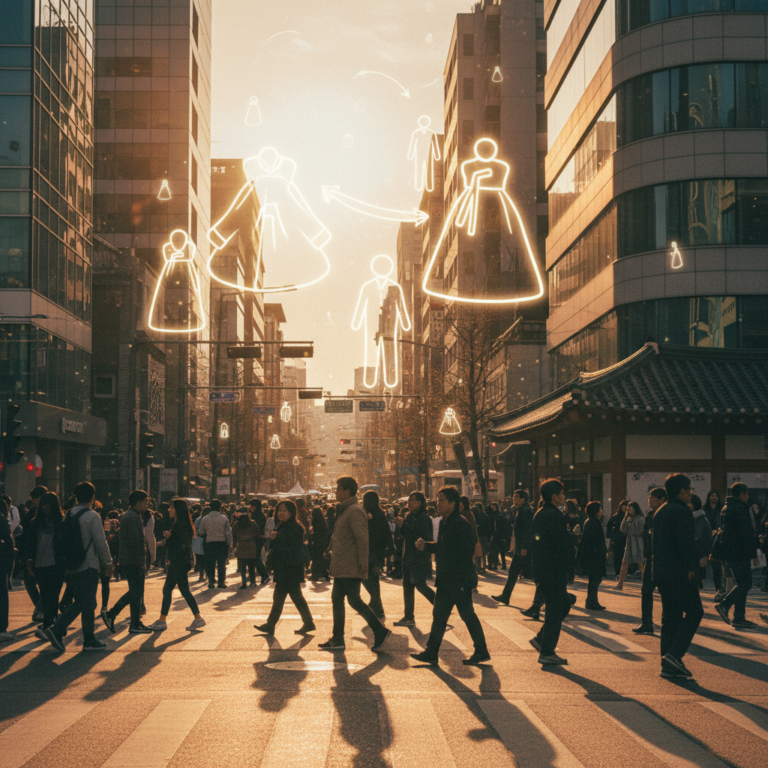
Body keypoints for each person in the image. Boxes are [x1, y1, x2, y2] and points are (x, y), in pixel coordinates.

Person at [410, 486, 489, 666]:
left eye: (442, 501)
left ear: (453, 504)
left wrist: (442, 554)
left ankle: (482, 650)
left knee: (467, 614)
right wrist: (428, 546)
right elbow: (443, 545)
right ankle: (431, 651)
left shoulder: (459, 523)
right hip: (447, 578)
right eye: (437, 500)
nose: (438, 504)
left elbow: (466, 549)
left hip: (458, 578)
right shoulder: (447, 521)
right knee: (439, 615)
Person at [319, 477, 390, 652]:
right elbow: (339, 535)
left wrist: (362, 563)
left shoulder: (354, 510)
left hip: (350, 565)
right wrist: (329, 549)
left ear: (348, 491)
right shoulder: (345, 509)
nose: (335, 491)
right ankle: (338, 638)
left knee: (354, 600)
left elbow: (362, 538)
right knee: (341, 599)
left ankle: (378, 631)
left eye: (338, 488)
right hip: (343, 564)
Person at [44, 482, 114, 652]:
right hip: (87, 564)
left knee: (86, 602)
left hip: (70, 565)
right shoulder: (92, 516)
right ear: (92, 497)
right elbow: (100, 542)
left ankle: (88, 638)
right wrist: (108, 563)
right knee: (85, 601)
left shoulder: (68, 513)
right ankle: (59, 630)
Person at [652, 473, 703, 679]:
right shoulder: (682, 511)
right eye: (689, 489)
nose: (691, 493)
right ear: (682, 491)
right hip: (679, 572)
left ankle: (667, 660)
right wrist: (692, 567)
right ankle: (674, 654)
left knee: (671, 616)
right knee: (694, 612)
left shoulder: (661, 511)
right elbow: (686, 544)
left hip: (663, 572)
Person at [528, 479, 573, 665]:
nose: (564, 496)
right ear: (555, 496)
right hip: (553, 570)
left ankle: (541, 639)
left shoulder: (541, 513)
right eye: (562, 493)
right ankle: (547, 651)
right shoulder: (554, 515)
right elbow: (560, 545)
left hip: (544, 569)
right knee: (555, 610)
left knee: (563, 604)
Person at [254, 500, 314, 635]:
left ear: (291, 512)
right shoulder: (282, 526)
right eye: (279, 510)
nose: (281, 513)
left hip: (290, 567)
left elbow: (291, 547)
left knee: (285, 597)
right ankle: (307, 623)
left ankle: (271, 625)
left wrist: (276, 539)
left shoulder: (295, 527)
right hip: (285, 567)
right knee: (290, 597)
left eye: (284, 510)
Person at [147, 498, 204, 631]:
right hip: (180, 561)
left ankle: (197, 618)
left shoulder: (180, 524)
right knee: (169, 589)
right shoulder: (181, 523)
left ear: (177, 509)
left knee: (182, 590)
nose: (169, 509)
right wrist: (170, 536)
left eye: (172, 507)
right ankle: (163, 619)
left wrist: (170, 538)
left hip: (179, 562)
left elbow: (181, 544)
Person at [101, 490, 151, 635]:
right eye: (145, 502)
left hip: (128, 560)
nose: (146, 505)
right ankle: (112, 614)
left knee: (136, 592)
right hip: (133, 561)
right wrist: (142, 562)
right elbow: (136, 542)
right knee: (136, 591)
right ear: (137, 502)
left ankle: (135, 622)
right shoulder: (134, 517)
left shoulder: (129, 515)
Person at [715, 482, 760, 629]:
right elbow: (745, 534)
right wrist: (753, 553)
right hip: (739, 552)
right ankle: (727, 606)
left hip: (728, 552)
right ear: (741, 494)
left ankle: (738, 617)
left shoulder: (726, 508)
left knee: (741, 583)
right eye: (746, 494)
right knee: (745, 583)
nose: (747, 497)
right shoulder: (741, 509)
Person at [25, 492, 65, 636]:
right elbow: (30, 544)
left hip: (57, 564)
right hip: (40, 563)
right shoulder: (35, 523)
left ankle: (49, 624)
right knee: (46, 594)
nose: (46, 508)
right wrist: (30, 560)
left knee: (53, 595)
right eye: (44, 505)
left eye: (49, 505)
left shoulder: (62, 522)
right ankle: (50, 624)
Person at [393, 491, 435, 627]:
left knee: (420, 585)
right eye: (409, 500)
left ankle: (441, 606)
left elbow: (421, 536)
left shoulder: (424, 518)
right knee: (407, 587)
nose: (410, 503)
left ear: (420, 503)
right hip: (408, 557)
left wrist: (403, 525)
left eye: (413, 500)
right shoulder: (410, 516)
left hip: (419, 558)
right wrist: (401, 525)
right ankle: (408, 616)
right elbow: (405, 534)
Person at [633, 487, 666, 635]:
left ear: (661, 500)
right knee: (646, 591)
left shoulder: (667, 513)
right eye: (649, 499)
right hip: (650, 558)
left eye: (652, 499)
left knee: (666, 593)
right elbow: (647, 537)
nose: (649, 501)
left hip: (664, 559)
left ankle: (668, 623)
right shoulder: (650, 514)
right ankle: (646, 623)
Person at [493, 489, 534, 606]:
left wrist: (524, 547)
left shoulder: (525, 511)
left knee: (532, 575)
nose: (514, 499)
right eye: (514, 497)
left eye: (517, 497)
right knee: (514, 573)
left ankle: (564, 597)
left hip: (523, 549)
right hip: (520, 548)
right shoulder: (521, 510)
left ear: (523, 499)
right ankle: (505, 596)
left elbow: (527, 531)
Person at [361, 491, 394, 619]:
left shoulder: (375, 514)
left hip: (373, 552)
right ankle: (376, 605)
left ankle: (377, 605)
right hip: (376, 552)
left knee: (367, 578)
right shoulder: (378, 513)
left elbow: (380, 533)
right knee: (372, 580)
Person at [578, 501, 606, 610]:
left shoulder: (589, 522)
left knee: (594, 580)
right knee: (595, 579)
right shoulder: (593, 523)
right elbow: (594, 541)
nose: (601, 512)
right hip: (595, 556)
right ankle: (592, 601)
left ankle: (592, 601)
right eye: (599, 509)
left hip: (592, 555)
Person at [200, 499, 232, 588]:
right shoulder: (224, 518)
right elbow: (228, 533)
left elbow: (201, 532)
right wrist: (229, 543)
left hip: (209, 543)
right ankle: (221, 582)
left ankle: (211, 581)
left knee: (210, 563)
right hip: (222, 543)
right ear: (220, 507)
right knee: (221, 563)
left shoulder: (205, 518)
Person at [616, 501, 645, 589]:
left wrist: (632, 523)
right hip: (629, 544)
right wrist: (625, 519)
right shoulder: (628, 518)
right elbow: (623, 529)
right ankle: (620, 584)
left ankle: (646, 584)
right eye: (628, 510)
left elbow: (640, 531)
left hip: (638, 543)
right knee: (624, 563)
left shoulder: (641, 519)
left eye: (631, 510)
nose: (629, 512)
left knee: (641, 564)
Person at [233, 509, 263, 588]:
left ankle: (244, 583)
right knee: (251, 565)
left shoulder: (236, 524)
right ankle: (253, 582)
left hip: (241, 545)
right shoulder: (252, 523)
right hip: (251, 545)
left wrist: (234, 545)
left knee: (242, 566)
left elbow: (234, 534)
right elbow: (257, 533)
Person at [0, 499, 14, 642]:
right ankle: (1, 629)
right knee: (2, 595)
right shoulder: (2, 521)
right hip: (1, 563)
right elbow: (8, 544)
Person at [607, 501, 628, 579]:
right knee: (617, 557)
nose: (625, 507)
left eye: (626, 506)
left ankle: (625, 573)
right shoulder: (615, 517)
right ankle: (618, 572)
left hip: (626, 539)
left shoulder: (629, 516)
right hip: (617, 540)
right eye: (623, 506)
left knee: (625, 557)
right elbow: (609, 528)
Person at [309, 506, 331, 581]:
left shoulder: (315, 521)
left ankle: (318, 574)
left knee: (317, 558)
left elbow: (316, 533)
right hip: (322, 542)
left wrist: (312, 534)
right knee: (319, 557)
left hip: (317, 542)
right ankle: (322, 574)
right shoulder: (323, 521)